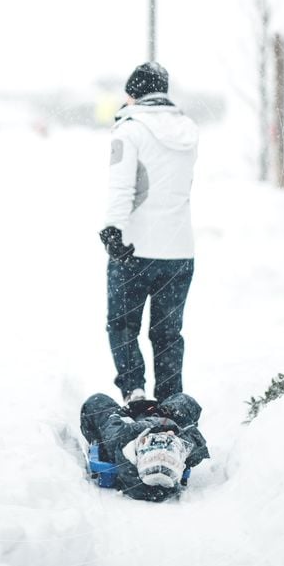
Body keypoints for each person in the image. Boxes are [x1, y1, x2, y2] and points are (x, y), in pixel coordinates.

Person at [98, 62, 199, 404]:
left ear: (133, 93)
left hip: (135, 249)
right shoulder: (188, 129)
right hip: (180, 251)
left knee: (123, 324)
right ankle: (171, 401)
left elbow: (122, 186)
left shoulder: (130, 130)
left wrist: (113, 229)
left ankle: (136, 394)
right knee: (168, 333)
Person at [80, 392, 209, 502]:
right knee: (185, 401)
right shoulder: (184, 450)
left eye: (156, 443)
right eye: (168, 444)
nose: (163, 439)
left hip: (130, 422)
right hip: (161, 419)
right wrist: (173, 430)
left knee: (97, 401)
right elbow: (198, 442)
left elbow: (112, 425)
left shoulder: (120, 442)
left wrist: (150, 424)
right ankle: (160, 412)